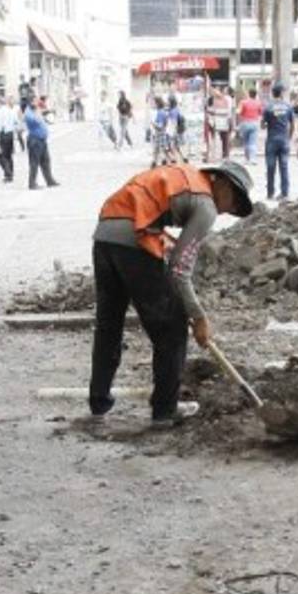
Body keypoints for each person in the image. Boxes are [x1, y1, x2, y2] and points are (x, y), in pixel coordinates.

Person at [90, 160, 255, 427]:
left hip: (105, 236)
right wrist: (198, 316)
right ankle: (164, 411)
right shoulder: (206, 206)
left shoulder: (186, 179)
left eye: (236, 208)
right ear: (220, 182)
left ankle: (98, 403)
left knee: (109, 325)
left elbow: (162, 242)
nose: (230, 209)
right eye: (234, 199)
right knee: (172, 328)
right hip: (133, 240)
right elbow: (180, 269)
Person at [262, 81, 294, 200]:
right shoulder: (288, 106)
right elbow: (292, 125)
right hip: (284, 140)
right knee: (284, 167)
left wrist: (268, 123)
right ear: (281, 93)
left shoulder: (268, 107)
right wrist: (288, 138)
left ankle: (270, 193)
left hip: (272, 140)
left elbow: (262, 125)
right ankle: (284, 193)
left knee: (271, 167)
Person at [24, 96, 59, 189]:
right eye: (35, 101)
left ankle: (49, 180)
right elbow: (36, 120)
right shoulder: (28, 113)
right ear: (31, 102)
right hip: (34, 140)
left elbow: (43, 115)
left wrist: (47, 111)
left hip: (42, 140)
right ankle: (32, 183)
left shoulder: (36, 110)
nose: (37, 103)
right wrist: (38, 112)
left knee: (46, 161)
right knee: (34, 162)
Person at [0, 95, 19, 182]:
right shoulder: (13, 111)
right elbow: (16, 122)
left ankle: (8, 174)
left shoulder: (1, 111)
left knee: (1, 155)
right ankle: (10, 173)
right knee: (9, 155)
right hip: (10, 134)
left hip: (4, 134)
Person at [237, 88, 262, 164]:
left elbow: (239, 112)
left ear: (249, 94)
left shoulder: (243, 102)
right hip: (254, 123)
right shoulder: (258, 103)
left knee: (246, 142)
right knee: (253, 142)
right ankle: (253, 159)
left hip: (245, 123)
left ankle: (246, 159)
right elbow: (261, 113)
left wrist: (239, 121)